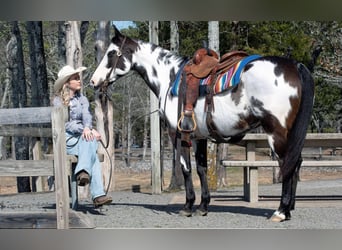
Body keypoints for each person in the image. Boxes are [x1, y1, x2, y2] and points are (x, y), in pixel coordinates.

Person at [53, 65, 112, 207]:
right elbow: (65, 124)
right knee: (91, 145)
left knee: (89, 141)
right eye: (75, 78)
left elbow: (87, 116)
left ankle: (83, 172)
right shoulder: (58, 101)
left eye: (78, 78)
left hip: (81, 138)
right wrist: (85, 130)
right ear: (66, 82)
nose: (79, 80)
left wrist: (88, 128)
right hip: (65, 139)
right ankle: (97, 195)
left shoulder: (82, 99)